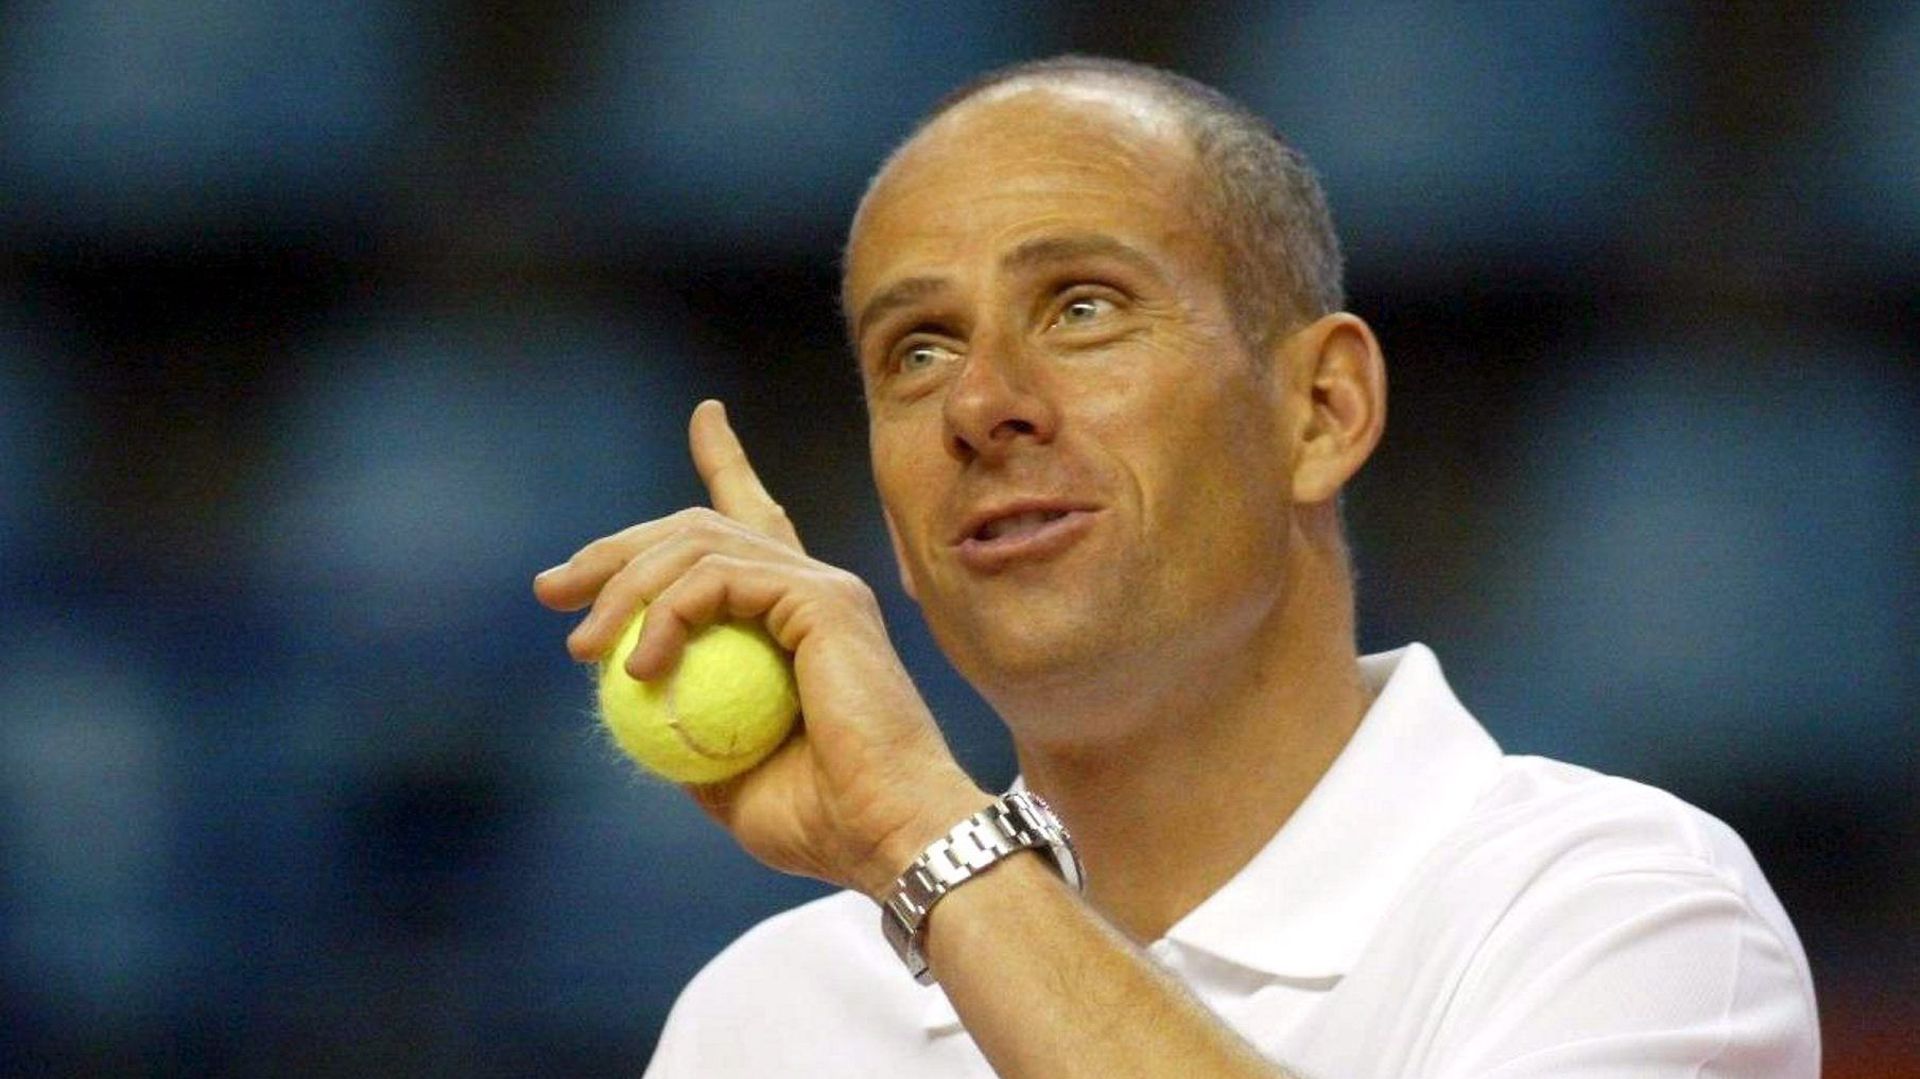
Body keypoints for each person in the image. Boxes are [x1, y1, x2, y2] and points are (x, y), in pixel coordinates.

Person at [533, 56, 1818, 1078]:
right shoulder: (764, 1019)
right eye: (916, 350)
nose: (979, 404)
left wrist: (923, 835)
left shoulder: (1625, 916)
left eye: (1083, 307)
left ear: (1321, 409)